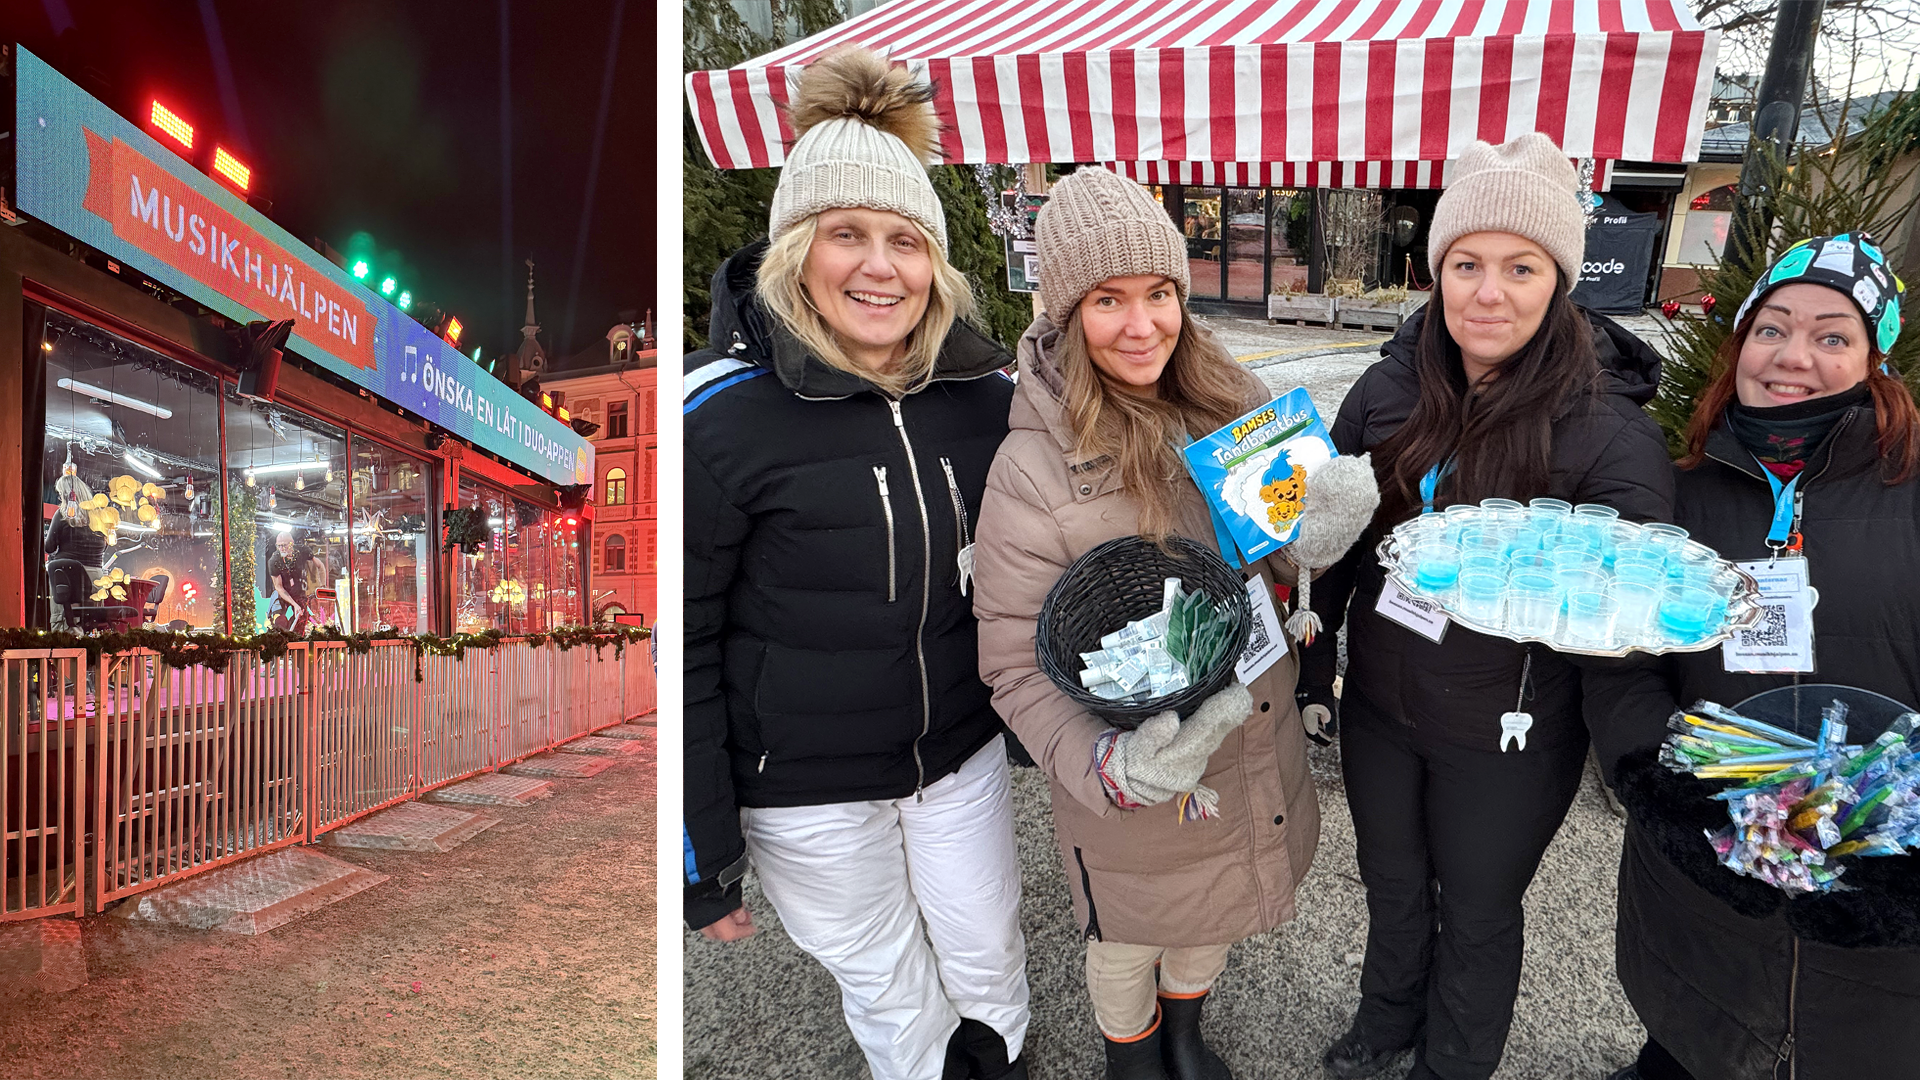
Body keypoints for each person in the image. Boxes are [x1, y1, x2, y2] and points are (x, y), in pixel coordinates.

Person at [972, 166, 1378, 1080]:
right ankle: (1132, 1052)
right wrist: (1108, 766)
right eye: (1108, 299)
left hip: (1249, 728)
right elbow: (1011, 664)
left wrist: (1314, 538)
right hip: (1135, 753)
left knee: (1221, 900)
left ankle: (1186, 1029)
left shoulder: (1231, 405)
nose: (1142, 323)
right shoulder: (1031, 469)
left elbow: (1275, 554)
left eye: (1159, 292)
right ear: (1066, 314)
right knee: (1133, 931)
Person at [681, 47, 1030, 1080]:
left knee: (987, 951)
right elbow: (685, 647)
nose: (881, 267)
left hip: (958, 756)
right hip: (806, 787)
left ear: (936, 263)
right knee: (887, 983)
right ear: (797, 251)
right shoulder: (722, 419)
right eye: (847, 235)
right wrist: (706, 860)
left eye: (905, 240)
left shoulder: (988, 401)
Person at [1295, 133, 1676, 1080]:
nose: (1488, 292)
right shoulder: (1385, 391)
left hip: (1512, 732)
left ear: (1560, 279)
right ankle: (1386, 1021)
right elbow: (1335, 538)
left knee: (1475, 906)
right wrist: (1315, 659)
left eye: (1520, 266)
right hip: (1383, 706)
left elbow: (1631, 614)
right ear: (1436, 270)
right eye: (1466, 264)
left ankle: (1452, 1061)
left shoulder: (1606, 431)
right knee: (1389, 884)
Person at [1588, 233, 1920, 1080]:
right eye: (1771, 329)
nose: (1792, 357)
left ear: (1875, 358)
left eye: (1832, 335)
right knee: (1685, 1039)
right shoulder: (1677, 493)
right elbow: (1622, 666)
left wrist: (1897, 852)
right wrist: (1683, 801)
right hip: (1705, 891)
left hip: (1876, 930)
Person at [266, 529, 319, 634]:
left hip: (298, 593)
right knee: (280, 621)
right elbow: (279, 588)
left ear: (291, 544)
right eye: (279, 545)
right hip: (282, 594)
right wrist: (294, 604)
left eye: (284, 545)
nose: (281, 548)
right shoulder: (274, 560)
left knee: (301, 620)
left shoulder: (302, 551)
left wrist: (321, 584)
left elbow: (319, 566)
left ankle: (296, 642)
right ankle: (281, 642)